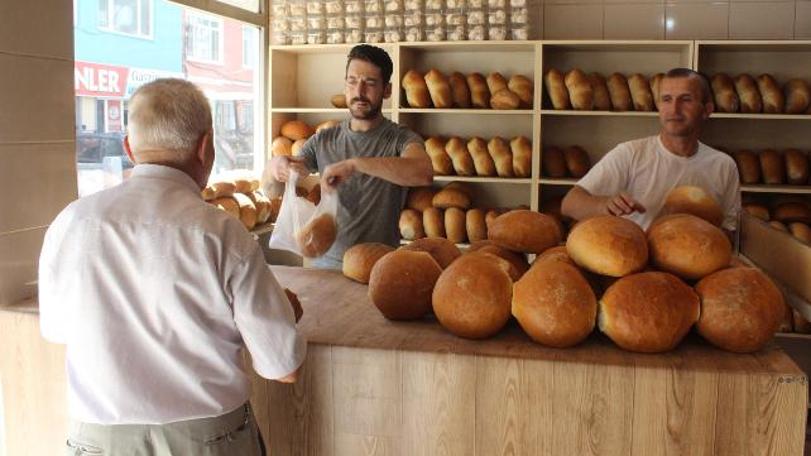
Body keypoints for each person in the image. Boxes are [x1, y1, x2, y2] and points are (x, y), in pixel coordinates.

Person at [39, 78, 306, 455]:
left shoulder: (72, 223)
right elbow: (283, 366)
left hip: (96, 443)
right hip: (207, 443)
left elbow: (55, 329)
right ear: (206, 147)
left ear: (130, 148)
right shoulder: (221, 232)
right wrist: (282, 313)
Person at [269, 44, 433, 269]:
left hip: (377, 270)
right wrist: (276, 166)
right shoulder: (324, 139)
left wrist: (356, 164)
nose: (359, 91)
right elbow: (270, 188)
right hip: (323, 268)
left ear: (387, 90)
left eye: (370, 83)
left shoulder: (400, 139)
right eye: (352, 81)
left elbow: (423, 172)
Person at [561, 68, 741, 233]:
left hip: (698, 262)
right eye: (666, 99)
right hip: (638, 261)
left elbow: (730, 229)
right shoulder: (631, 153)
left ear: (706, 110)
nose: (674, 109)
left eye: (686, 99)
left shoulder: (724, 165)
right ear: (659, 106)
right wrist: (604, 205)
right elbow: (570, 203)